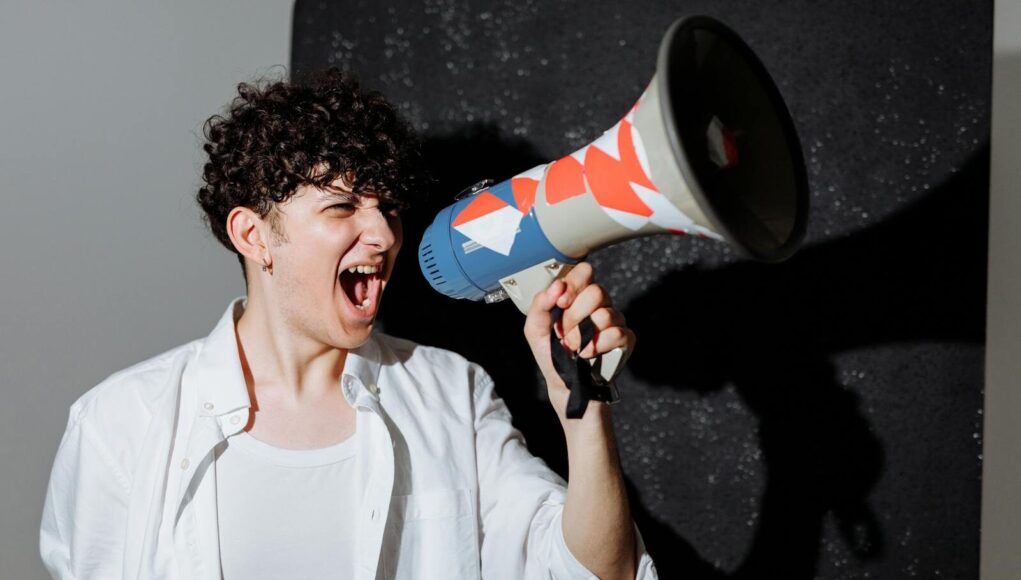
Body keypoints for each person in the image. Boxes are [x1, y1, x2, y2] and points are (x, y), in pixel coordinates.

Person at [39, 68, 658, 580]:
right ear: (253, 235)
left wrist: (584, 405)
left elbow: (598, 574)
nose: (385, 234)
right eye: (342, 207)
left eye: (388, 206)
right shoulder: (119, 424)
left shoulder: (452, 394)